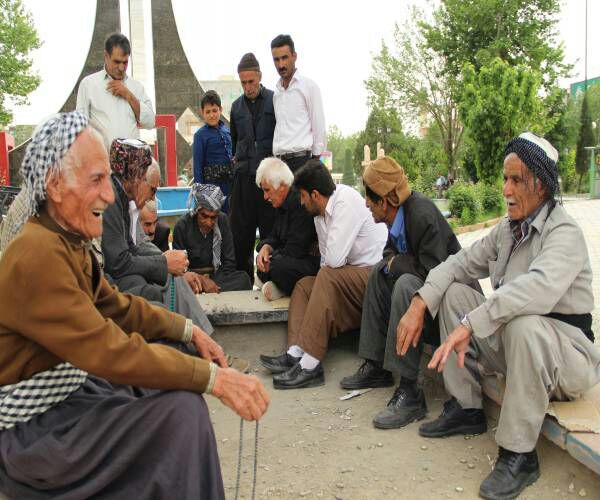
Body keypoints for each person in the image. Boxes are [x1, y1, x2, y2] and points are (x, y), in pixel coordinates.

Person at [0, 112, 269, 499]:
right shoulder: (37, 253)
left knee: (172, 393)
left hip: (71, 399)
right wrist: (215, 380)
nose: (109, 195)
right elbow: (107, 347)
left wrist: (188, 331)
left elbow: (118, 307)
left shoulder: (63, 242)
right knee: (181, 416)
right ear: (55, 185)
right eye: (96, 180)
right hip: (37, 432)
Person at [400, 133, 600, 499]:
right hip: (519, 347)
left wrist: (470, 324)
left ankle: (519, 455)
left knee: (523, 324)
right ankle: (466, 407)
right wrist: (420, 303)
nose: (506, 188)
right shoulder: (507, 230)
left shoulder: (564, 233)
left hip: (567, 357)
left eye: (516, 180)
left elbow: (533, 291)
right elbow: (458, 263)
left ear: (540, 185)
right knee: (455, 293)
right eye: (504, 178)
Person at [340, 157, 463, 429]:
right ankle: (376, 366)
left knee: (406, 284)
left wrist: (398, 263)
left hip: (449, 311)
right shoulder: (397, 216)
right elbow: (388, 255)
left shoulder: (421, 214)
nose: (365, 204)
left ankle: (410, 391)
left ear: (384, 201)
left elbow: (436, 273)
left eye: (369, 199)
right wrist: (393, 263)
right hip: (425, 295)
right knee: (377, 273)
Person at [260, 160, 388, 389]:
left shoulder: (345, 202)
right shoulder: (320, 214)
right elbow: (325, 261)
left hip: (375, 276)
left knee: (326, 275)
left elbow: (334, 260)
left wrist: (327, 267)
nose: (300, 201)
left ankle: (311, 365)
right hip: (351, 275)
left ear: (315, 194)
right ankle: (294, 354)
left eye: (302, 196)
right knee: (304, 285)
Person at [229, 53, 277, 282]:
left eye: (251, 81)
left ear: (259, 76)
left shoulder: (274, 101)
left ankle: (269, 280)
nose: (248, 87)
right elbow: (235, 140)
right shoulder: (236, 108)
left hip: (268, 180)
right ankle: (242, 282)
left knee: (271, 232)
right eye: (243, 82)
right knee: (241, 235)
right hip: (243, 179)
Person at [254, 157, 320, 300]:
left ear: (282, 186)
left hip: (310, 263)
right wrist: (266, 248)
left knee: (277, 267)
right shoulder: (281, 202)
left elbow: (295, 250)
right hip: (290, 258)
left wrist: (271, 260)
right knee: (265, 261)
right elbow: (275, 236)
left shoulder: (301, 203)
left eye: (267, 190)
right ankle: (281, 286)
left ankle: (283, 286)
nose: (265, 197)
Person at [173, 184, 251, 294]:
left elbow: (229, 263)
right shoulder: (182, 226)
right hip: (193, 279)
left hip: (218, 278)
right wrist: (202, 281)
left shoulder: (223, 221)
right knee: (177, 284)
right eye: (204, 216)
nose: (209, 223)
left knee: (244, 279)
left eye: (213, 217)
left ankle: (210, 289)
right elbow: (179, 268)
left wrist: (211, 281)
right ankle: (210, 290)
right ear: (197, 211)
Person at [76, 33, 155, 142]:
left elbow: (150, 122)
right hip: (101, 157)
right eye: (117, 62)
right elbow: (80, 127)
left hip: (131, 157)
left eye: (125, 62)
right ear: (106, 56)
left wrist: (128, 95)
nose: (121, 67)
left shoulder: (136, 87)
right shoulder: (88, 84)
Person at [271, 34, 326, 172]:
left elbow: (319, 127)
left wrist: (314, 162)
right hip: (279, 164)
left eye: (284, 58)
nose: (281, 64)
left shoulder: (309, 87)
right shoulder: (277, 93)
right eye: (276, 60)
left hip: (302, 162)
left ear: (294, 56)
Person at [192, 91, 233, 213]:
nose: (212, 115)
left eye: (214, 111)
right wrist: (200, 195)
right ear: (202, 113)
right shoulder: (200, 135)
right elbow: (197, 166)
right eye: (208, 112)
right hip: (211, 187)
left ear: (220, 109)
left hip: (229, 186)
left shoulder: (227, 131)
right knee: (213, 221)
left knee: (229, 222)